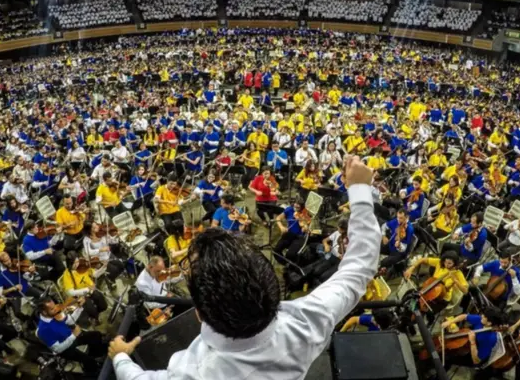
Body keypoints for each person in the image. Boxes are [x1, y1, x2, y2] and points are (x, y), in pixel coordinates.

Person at [108, 155, 381, 380]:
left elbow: (135, 377)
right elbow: (359, 267)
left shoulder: (195, 373)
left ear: (199, 313)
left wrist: (120, 356)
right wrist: (360, 190)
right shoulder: (306, 323)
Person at [37, 297, 104, 374]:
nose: (56, 309)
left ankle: (96, 355)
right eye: (52, 309)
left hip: (72, 336)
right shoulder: (43, 330)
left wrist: (79, 308)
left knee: (96, 335)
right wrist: (74, 335)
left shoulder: (55, 314)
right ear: (44, 312)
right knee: (88, 360)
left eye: (55, 305)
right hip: (65, 348)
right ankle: (93, 372)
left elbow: (70, 320)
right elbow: (57, 349)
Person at [439, 308, 509, 368]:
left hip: (472, 355)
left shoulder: (490, 339)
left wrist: (473, 343)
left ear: (489, 323)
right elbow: (464, 316)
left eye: (484, 316)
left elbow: (476, 361)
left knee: (446, 358)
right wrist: (450, 322)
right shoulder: (480, 320)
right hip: (468, 343)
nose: (482, 315)